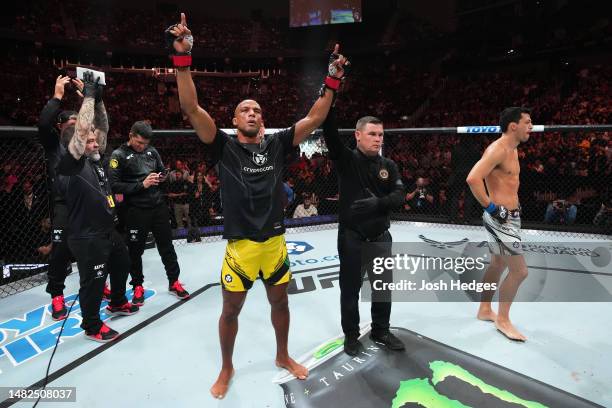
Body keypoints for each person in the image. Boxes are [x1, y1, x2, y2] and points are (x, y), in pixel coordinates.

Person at [167, 12, 348, 399]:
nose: (252, 113)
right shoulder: (224, 146)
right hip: (241, 247)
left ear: (263, 122)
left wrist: (332, 78)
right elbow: (191, 109)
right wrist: (182, 58)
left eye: (258, 111)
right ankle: (228, 366)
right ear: (234, 119)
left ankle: (283, 355)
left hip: (276, 243)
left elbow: (316, 117)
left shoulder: (278, 143)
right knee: (230, 310)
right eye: (245, 110)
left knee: (280, 302)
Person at [57, 71, 138, 342]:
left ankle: (116, 301)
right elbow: (81, 134)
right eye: (88, 142)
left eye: (94, 141)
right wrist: (88, 98)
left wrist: (99, 100)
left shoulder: (93, 158)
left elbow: (100, 129)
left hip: (106, 230)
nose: (95, 144)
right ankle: (92, 325)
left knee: (123, 262)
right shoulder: (71, 164)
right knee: (92, 282)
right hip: (86, 235)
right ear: (75, 145)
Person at [322, 108, 406, 356]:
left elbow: (400, 195)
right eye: (372, 134)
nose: (378, 138)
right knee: (350, 289)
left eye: (380, 134)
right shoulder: (346, 159)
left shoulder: (388, 165)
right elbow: (330, 133)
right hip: (352, 237)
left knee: (382, 287)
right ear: (358, 135)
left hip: (380, 235)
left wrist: (379, 203)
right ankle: (351, 335)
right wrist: (330, 97)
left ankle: (381, 330)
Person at [466, 106, 533, 341]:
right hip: (501, 220)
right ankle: (503, 320)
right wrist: (493, 208)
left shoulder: (512, 149)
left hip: (510, 217)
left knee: (497, 264)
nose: (531, 126)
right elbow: (473, 178)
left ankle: (485, 309)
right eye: (527, 122)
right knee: (520, 271)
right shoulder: (498, 149)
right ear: (513, 126)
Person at [108, 121, 189, 306]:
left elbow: (162, 172)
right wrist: (141, 185)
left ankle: (174, 281)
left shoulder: (152, 152)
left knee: (167, 246)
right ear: (131, 135)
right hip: (135, 210)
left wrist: (161, 177)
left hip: (158, 206)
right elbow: (114, 185)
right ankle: (137, 285)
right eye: (138, 143)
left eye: (145, 143)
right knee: (135, 251)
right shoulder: (118, 155)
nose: (142, 147)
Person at [37, 75, 81, 320]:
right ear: (61, 125)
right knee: (60, 251)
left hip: (86, 203)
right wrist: (57, 96)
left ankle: (98, 284)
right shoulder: (54, 145)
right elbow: (43, 124)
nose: (77, 125)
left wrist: (89, 100)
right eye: (72, 121)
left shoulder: (86, 143)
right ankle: (56, 295)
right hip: (65, 204)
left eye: (79, 121)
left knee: (96, 246)